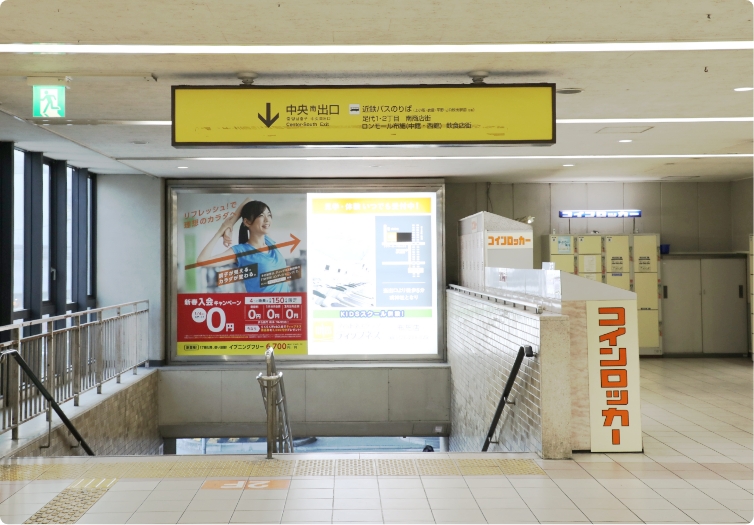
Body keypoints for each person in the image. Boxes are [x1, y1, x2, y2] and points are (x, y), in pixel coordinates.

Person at [196, 198, 291, 292]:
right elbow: (202, 261)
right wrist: (223, 229)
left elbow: (249, 200)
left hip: (284, 301)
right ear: (247, 222)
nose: (267, 220)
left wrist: (231, 223)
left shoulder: (269, 242)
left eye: (269, 215)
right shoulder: (241, 251)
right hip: (261, 302)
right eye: (261, 215)